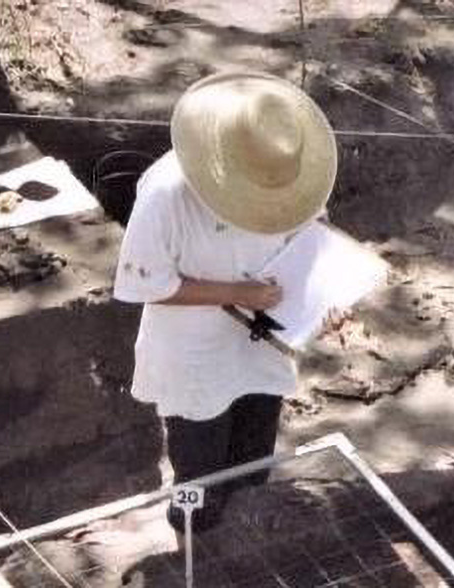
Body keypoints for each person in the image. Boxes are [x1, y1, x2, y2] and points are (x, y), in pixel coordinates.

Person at [113, 71, 338, 533]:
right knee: (197, 471)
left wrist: (326, 299)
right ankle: (189, 530)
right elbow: (146, 283)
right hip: (194, 355)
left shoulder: (288, 166)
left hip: (264, 341)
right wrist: (236, 294)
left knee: (252, 463)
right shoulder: (165, 194)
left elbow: (313, 233)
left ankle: (245, 535)